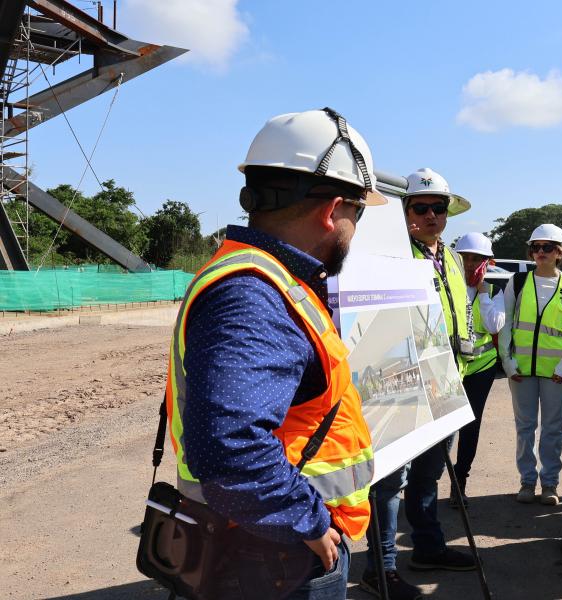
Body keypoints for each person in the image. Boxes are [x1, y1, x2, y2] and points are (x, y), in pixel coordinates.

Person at [165, 108, 382, 599]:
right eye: (358, 212)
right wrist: (304, 521)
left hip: (264, 546)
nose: (355, 227)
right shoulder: (253, 293)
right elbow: (228, 446)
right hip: (275, 557)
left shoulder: (262, 278)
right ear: (331, 211)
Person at [362, 168, 474, 600]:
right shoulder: (390, 253)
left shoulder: (448, 257)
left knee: (428, 478)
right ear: (402, 212)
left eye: (438, 208)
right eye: (420, 208)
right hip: (402, 385)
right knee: (390, 483)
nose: (431, 216)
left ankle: (428, 549)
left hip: (446, 383)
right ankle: (381, 567)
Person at [498, 224, 562, 505]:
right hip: (521, 371)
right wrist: (508, 363)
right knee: (525, 428)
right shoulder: (518, 282)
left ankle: (550, 484)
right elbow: (505, 325)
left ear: (560, 252)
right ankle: (527, 482)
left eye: (547, 247)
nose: (540, 252)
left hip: (556, 374)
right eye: (535, 247)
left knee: (552, 430)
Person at [450, 232, 506, 508]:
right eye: (465, 258)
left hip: (481, 369)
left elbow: (495, 325)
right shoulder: (447, 288)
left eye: (477, 259)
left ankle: (459, 482)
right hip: (451, 368)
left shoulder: (495, 292)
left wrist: (482, 291)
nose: (471, 264)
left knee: (471, 427)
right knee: (446, 428)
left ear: (488, 263)